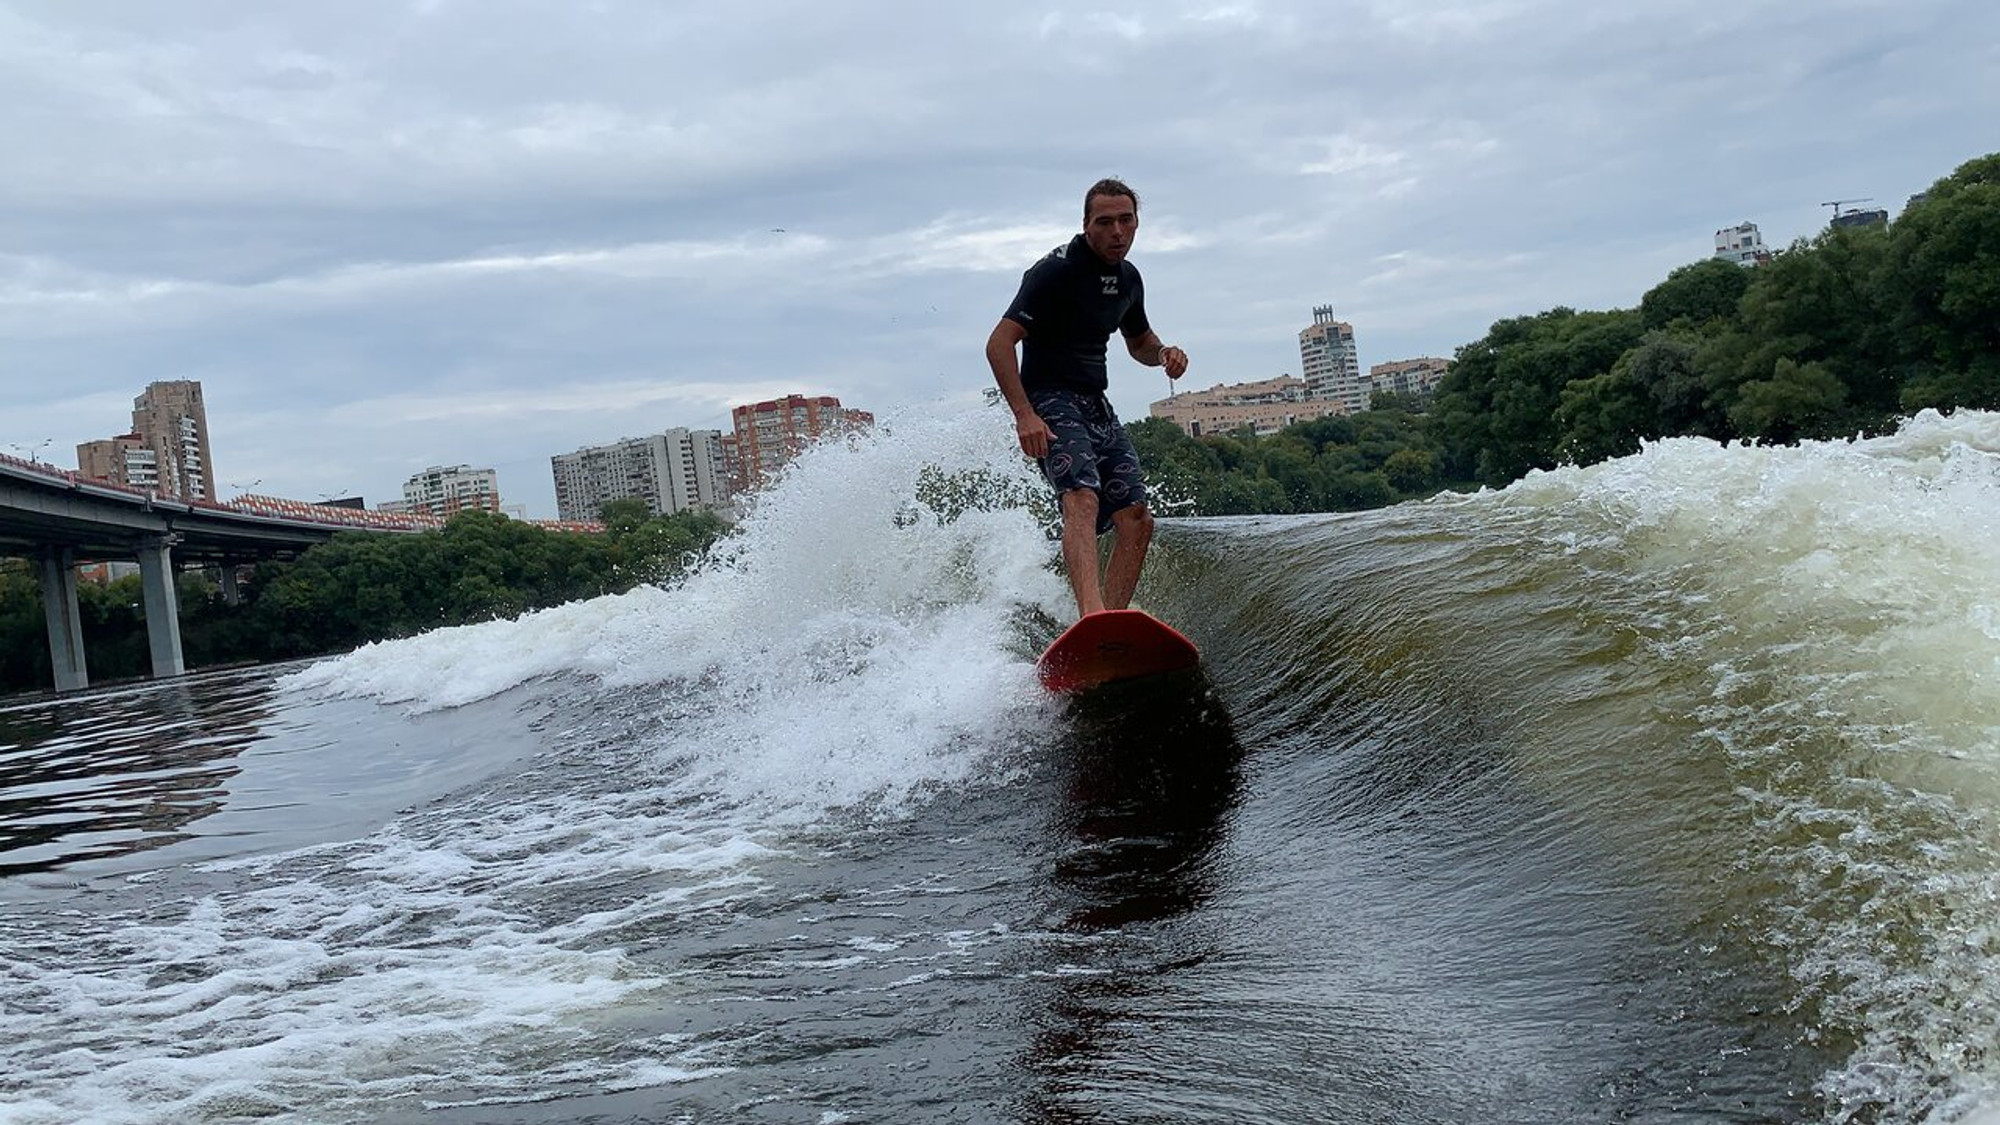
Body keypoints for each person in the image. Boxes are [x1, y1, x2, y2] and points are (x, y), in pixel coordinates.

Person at [985, 178, 1190, 621]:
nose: (1118, 231)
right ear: (1086, 225)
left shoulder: (1129, 279)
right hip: (1049, 399)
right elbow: (999, 344)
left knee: (1136, 516)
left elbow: (1138, 341)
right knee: (1081, 494)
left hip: (1094, 403)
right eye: (1105, 222)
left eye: (1126, 220)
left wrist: (1162, 354)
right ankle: (1092, 613)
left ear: (1137, 223)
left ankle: (1105, 628)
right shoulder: (1055, 272)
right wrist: (1025, 415)